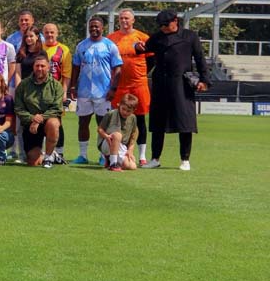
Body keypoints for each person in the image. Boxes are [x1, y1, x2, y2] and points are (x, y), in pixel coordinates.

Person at [140, 10, 209, 171]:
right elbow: (144, 51)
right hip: (160, 83)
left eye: (166, 25)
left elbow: (200, 59)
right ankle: (155, 158)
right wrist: (138, 48)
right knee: (157, 123)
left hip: (182, 84)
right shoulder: (156, 37)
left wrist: (204, 80)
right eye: (160, 25)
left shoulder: (189, 36)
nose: (163, 28)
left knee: (185, 122)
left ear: (175, 21)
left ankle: (185, 159)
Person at [69, 16, 123, 165]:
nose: (94, 29)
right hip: (84, 92)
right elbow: (76, 67)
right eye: (91, 26)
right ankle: (83, 155)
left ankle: (103, 155)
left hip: (103, 92)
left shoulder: (110, 45)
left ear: (102, 28)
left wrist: (113, 88)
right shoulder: (81, 46)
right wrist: (73, 86)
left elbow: (118, 68)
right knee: (83, 123)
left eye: (96, 26)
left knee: (103, 125)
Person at [107, 9, 153, 165]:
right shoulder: (111, 38)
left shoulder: (143, 37)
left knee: (140, 119)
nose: (124, 20)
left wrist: (142, 73)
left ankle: (142, 155)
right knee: (116, 118)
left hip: (138, 84)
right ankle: (112, 154)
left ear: (133, 20)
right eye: (121, 18)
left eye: (127, 18)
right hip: (119, 84)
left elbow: (152, 59)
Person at [14, 55, 65, 168]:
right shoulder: (23, 85)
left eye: (43, 66)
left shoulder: (56, 85)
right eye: (37, 66)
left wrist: (40, 118)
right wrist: (32, 118)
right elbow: (18, 108)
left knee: (53, 123)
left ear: (48, 67)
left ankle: (48, 157)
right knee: (33, 162)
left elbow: (57, 109)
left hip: (47, 122)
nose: (40, 68)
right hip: (30, 125)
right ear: (33, 67)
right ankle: (53, 155)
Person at [41, 23, 72, 160]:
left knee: (57, 121)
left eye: (52, 32)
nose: (49, 35)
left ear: (57, 33)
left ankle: (59, 152)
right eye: (47, 32)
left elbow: (66, 74)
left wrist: (64, 92)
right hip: (39, 91)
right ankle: (44, 151)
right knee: (41, 120)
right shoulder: (39, 48)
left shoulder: (63, 50)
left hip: (56, 92)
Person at [98, 94, 141, 171]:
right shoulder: (110, 114)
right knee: (117, 135)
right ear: (119, 105)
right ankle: (113, 164)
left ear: (134, 110)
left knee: (132, 166)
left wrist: (130, 150)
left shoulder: (133, 118)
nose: (125, 112)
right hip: (108, 142)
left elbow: (134, 134)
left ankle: (109, 159)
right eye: (123, 109)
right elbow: (100, 129)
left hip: (121, 145)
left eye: (128, 111)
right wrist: (106, 136)